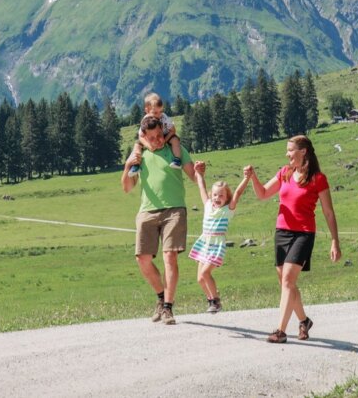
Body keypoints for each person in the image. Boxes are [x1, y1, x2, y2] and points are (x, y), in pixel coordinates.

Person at [246, 134, 341, 343]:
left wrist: (335, 240)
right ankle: (304, 321)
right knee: (285, 282)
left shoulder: (318, 178)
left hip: (304, 234)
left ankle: (280, 331)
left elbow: (329, 212)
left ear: (303, 151)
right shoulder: (285, 173)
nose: (287, 154)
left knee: (288, 279)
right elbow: (262, 194)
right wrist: (253, 177)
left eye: (290, 150)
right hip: (282, 232)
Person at [122, 115, 205, 325]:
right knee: (142, 259)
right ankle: (160, 296)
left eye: (160, 135)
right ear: (144, 137)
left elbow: (193, 177)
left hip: (174, 209)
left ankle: (168, 306)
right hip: (147, 211)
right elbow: (127, 187)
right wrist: (127, 167)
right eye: (153, 137)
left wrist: (203, 178)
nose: (158, 140)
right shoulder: (139, 155)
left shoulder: (175, 150)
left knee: (170, 256)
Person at [188, 173, 251, 313]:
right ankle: (211, 299)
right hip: (204, 244)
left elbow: (238, 193)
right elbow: (201, 188)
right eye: (215, 195)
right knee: (200, 279)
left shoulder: (228, 210)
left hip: (216, 245)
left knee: (205, 273)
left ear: (227, 197)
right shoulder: (208, 205)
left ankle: (216, 301)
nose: (217, 198)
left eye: (221, 195)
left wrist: (247, 177)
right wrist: (199, 174)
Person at [128, 93, 182, 174]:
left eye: (161, 111)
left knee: (175, 140)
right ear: (147, 110)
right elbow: (141, 136)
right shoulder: (145, 121)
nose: (159, 115)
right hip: (151, 138)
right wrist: (148, 146)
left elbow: (173, 130)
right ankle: (136, 165)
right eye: (155, 112)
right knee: (137, 145)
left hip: (165, 135)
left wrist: (165, 139)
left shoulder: (163, 117)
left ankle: (177, 160)